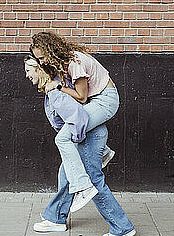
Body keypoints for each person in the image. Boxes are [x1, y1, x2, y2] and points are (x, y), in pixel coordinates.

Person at [24, 57, 136, 236]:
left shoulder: (56, 92)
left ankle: (121, 227)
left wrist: (77, 143)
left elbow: (79, 118)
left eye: (29, 70)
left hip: (89, 135)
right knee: (66, 173)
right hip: (88, 133)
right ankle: (56, 218)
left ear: (39, 70)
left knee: (91, 179)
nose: (26, 75)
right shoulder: (54, 87)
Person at [30, 31, 119, 209]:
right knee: (73, 145)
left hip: (105, 100)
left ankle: (82, 187)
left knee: (62, 138)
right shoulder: (63, 62)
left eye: (43, 57)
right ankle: (104, 152)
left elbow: (81, 97)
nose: (42, 62)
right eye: (38, 59)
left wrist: (58, 86)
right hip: (95, 101)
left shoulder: (74, 61)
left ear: (52, 49)